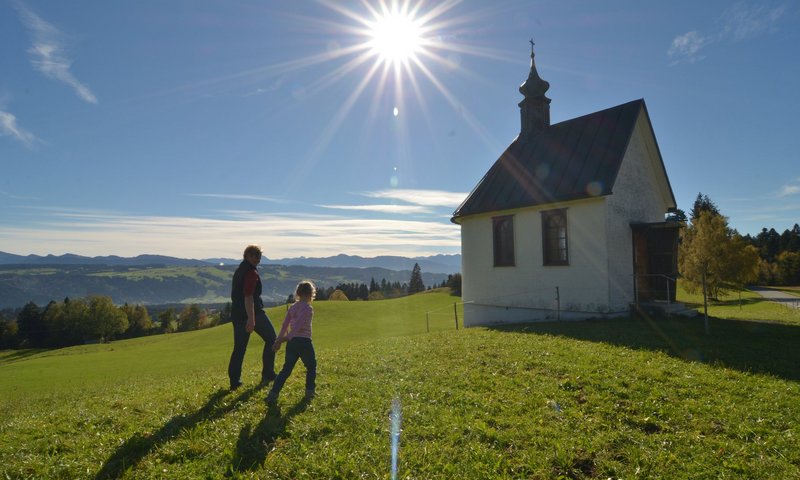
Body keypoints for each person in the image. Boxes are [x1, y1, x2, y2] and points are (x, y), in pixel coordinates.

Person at [228, 244, 277, 390]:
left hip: (237, 314)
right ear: (247, 255)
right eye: (255, 256)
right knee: (272, 339)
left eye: (259, 257)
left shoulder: (240, 270)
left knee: (239, 349)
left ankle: (234, 382)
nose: (258, 259)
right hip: (253, 312)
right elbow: (248, 296)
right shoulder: (250, 272)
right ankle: (268, 374)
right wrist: (251, 318)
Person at [266, 280, 317, 404]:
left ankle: (273, 394)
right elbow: (298, 326)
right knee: (311, 366)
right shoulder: (308, 309)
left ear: (298, 293)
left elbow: (285, 325)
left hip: (292, 343)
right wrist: (284, 339)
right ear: (310, 294)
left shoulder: (293, 307)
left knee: (286, 370)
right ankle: (310, 392)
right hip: (304, 342)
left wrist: (278, 340)